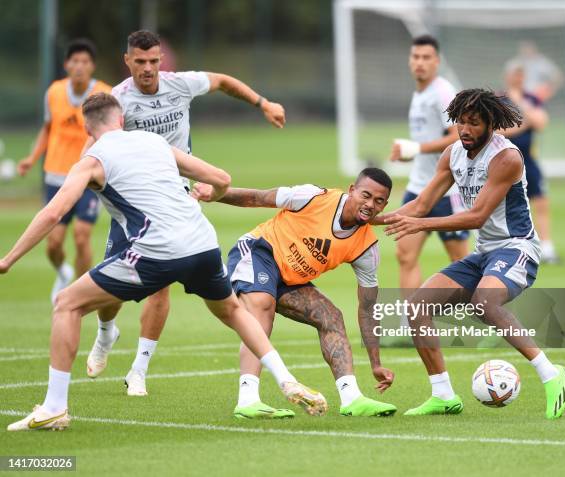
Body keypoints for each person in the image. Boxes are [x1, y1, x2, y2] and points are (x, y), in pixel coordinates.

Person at [1, 93, 326, 431]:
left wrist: (9, 259)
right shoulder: (154, 142)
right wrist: (211, 196)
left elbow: (54, 211)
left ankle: (54, 407)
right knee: (232, 311)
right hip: (203, 243)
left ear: (87, 128)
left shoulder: (91, 160)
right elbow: (222, 179)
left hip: (156, 251)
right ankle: (286, 378)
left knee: (66, 304)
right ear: (122, 120)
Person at [84, 30, 287, 396]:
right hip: (133, 203)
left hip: (175, 199)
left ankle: (139, 371)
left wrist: (263, 103)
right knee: (109, 294)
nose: (148, 69)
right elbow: (94, 148)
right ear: (127, 60)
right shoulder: (117, 100)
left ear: (161, 60)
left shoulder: (180, 85)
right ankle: (105, 334)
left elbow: (223, 81)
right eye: (140, 62)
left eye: (154, 61)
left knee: (161, 286)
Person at [381, 89, 565, 419]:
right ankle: (443, 395)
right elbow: (422, 205)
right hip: (485, 253)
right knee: (416, 307)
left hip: (517, 247)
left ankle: (551, 374)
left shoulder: (506, 158)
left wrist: (417, 225)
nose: (465, 129)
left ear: (491, 124)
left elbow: (476, 216)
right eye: (460, 123)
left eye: (474, 123)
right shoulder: (452, 154)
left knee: (484, 302)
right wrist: (369, 218)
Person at [191, 168, 397, 418]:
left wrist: (376, 363)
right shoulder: (313, 197)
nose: (370, 205)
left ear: (384, 205)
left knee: (331, 317)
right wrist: (214, 194)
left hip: (290, 279)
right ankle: (248, 400)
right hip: (259, 251)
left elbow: (368, 306)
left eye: (378, 201)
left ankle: (351, 398)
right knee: (261, 307)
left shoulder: (366, 248)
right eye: (365, 195)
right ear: (352, 190)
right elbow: (259, 197)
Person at [17, 39, 111, 303]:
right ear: (66, 65)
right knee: (53, 244)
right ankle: (62, 271)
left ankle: (79, 294)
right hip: (56, 175)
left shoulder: (104, 94)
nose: (79, 66)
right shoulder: (54, 92)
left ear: (92, 66)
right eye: (75, 61)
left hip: (89, 176)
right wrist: (31, 157)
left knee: (82, 236)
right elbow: (48, 129)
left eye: (85, 62)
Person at [388, 34, 468, 290]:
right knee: (405, 255)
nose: (420, 62)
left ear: (437, 61)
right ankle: (411, 317)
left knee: (461, 260)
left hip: (447, 190)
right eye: (415, 57)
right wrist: (411, 152)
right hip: (418, 187)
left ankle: (476, 313)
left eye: (426, 57)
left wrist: (417, 148)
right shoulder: (420, 94)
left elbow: (458, 135)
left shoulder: (443, 92)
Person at [501, 60, 560, 263]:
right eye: (515, 74)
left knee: (541, 201)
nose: (518, 78)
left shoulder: (531, 98)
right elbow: (496, 129)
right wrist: (523, 124)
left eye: (521, 74)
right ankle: (507, 245)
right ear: (508, 76)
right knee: (501, 203)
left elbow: (541, 122)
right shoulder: (499, 99)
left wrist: (521, 105)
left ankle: (547, 248)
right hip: (505, 160)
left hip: (529, 160)